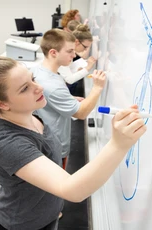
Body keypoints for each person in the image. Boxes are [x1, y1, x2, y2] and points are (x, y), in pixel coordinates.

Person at [0, 50, 147, 230]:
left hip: (45, 215)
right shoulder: (8, 143)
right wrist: (118, 144)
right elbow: (73, 191)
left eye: (32, 79)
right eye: (25, 88)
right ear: (2, 104)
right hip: (21, 224)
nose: (39, 87)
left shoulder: (30, 111)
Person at [31, 29, 106, 170]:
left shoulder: (39, 71)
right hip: (54, 145)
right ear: (53, 52)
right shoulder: (52, 86)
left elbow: (49, 96)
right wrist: (97, 88)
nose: (74, 55)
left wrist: (69, 98)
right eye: (70, 51)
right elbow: (81, 113)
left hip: (44, 138)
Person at [58, 24, 97, 89]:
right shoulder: (64, 53)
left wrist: (77, 71)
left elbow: (65, 70)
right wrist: (88, 67)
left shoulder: (68, 50)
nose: (85, 49)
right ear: (77, 42)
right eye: (85, 47)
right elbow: (70, 80)